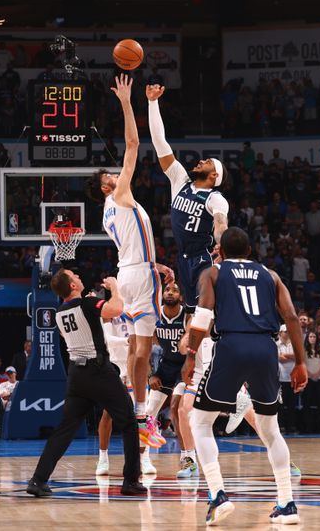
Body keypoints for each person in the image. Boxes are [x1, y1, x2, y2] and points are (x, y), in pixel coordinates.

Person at [183, 227, 307, 526]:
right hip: (266, 348)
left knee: (200, 421)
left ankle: (217, 495)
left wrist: (190, 356)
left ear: (220, 252)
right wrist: (301, 362)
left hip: (231, 345)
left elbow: (203, 316)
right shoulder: (271, 275)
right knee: (270, 429)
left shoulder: (213, 273)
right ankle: (287, 503)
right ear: (250, 251)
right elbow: (291, 316)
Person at [89, 74, 174, 449]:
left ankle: (140, 415)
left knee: (140, 350)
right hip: (139, 277)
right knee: (144, 346)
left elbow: (132, 248)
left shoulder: (106, 214)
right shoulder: (120, 193)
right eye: (111, 175)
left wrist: (152, 265)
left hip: (129, 273)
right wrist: (126, 102)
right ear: (107, 186)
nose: (116, 174)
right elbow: (133, 143)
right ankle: (142, 414)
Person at [26, 270, 147, 497]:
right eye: (76, 276)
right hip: (98, 370)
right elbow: (117, 310)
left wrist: (93, 306)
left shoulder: (60, 312)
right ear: (72, 286)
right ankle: (130, 481)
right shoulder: (88, 303)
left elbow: (71, 333)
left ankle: (37, 479)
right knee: (129, 422)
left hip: (76, 375)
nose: (80, 278)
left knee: (65, 429)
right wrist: (115, 288)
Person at [146, 82, 229, 313]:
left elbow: (221, 222)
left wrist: (222, 242)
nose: (201, 161)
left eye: (208, 162)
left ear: (214, 175)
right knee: (192, 311)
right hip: (183, 258)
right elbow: (160, 143)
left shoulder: (215, 197)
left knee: (208, 310)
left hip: (204, 258)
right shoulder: (180, 180)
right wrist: (153, 103)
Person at [147, 283, 192, 477]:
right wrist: (151, 374)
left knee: (176, 409)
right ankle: (143, 460)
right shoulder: (155, 317)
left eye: (175, 290)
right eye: (167, 290)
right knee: (147, 413)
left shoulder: (187, 317)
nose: (170, 293)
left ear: (181, 296)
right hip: (165, 367)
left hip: (184, 368)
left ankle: (187, 459)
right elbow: (145, 349)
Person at [96, 311, 131, 475]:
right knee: (107, 413)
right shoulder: (110, 310)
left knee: (142, 415)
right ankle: (103, 458)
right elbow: (108, 341)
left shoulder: (138, 306)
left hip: (135, 365)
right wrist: (128, 341)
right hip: (115, 365)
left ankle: (144, 457)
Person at [303, 331, 320, 433]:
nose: (312, 338)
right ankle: (307, 426)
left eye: (314, 336)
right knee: (307, 403)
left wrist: (317, 374)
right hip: (308, 379)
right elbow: (303, 365)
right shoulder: (304, 351)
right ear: (307, 338)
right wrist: (310, 375)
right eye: (310, 336)